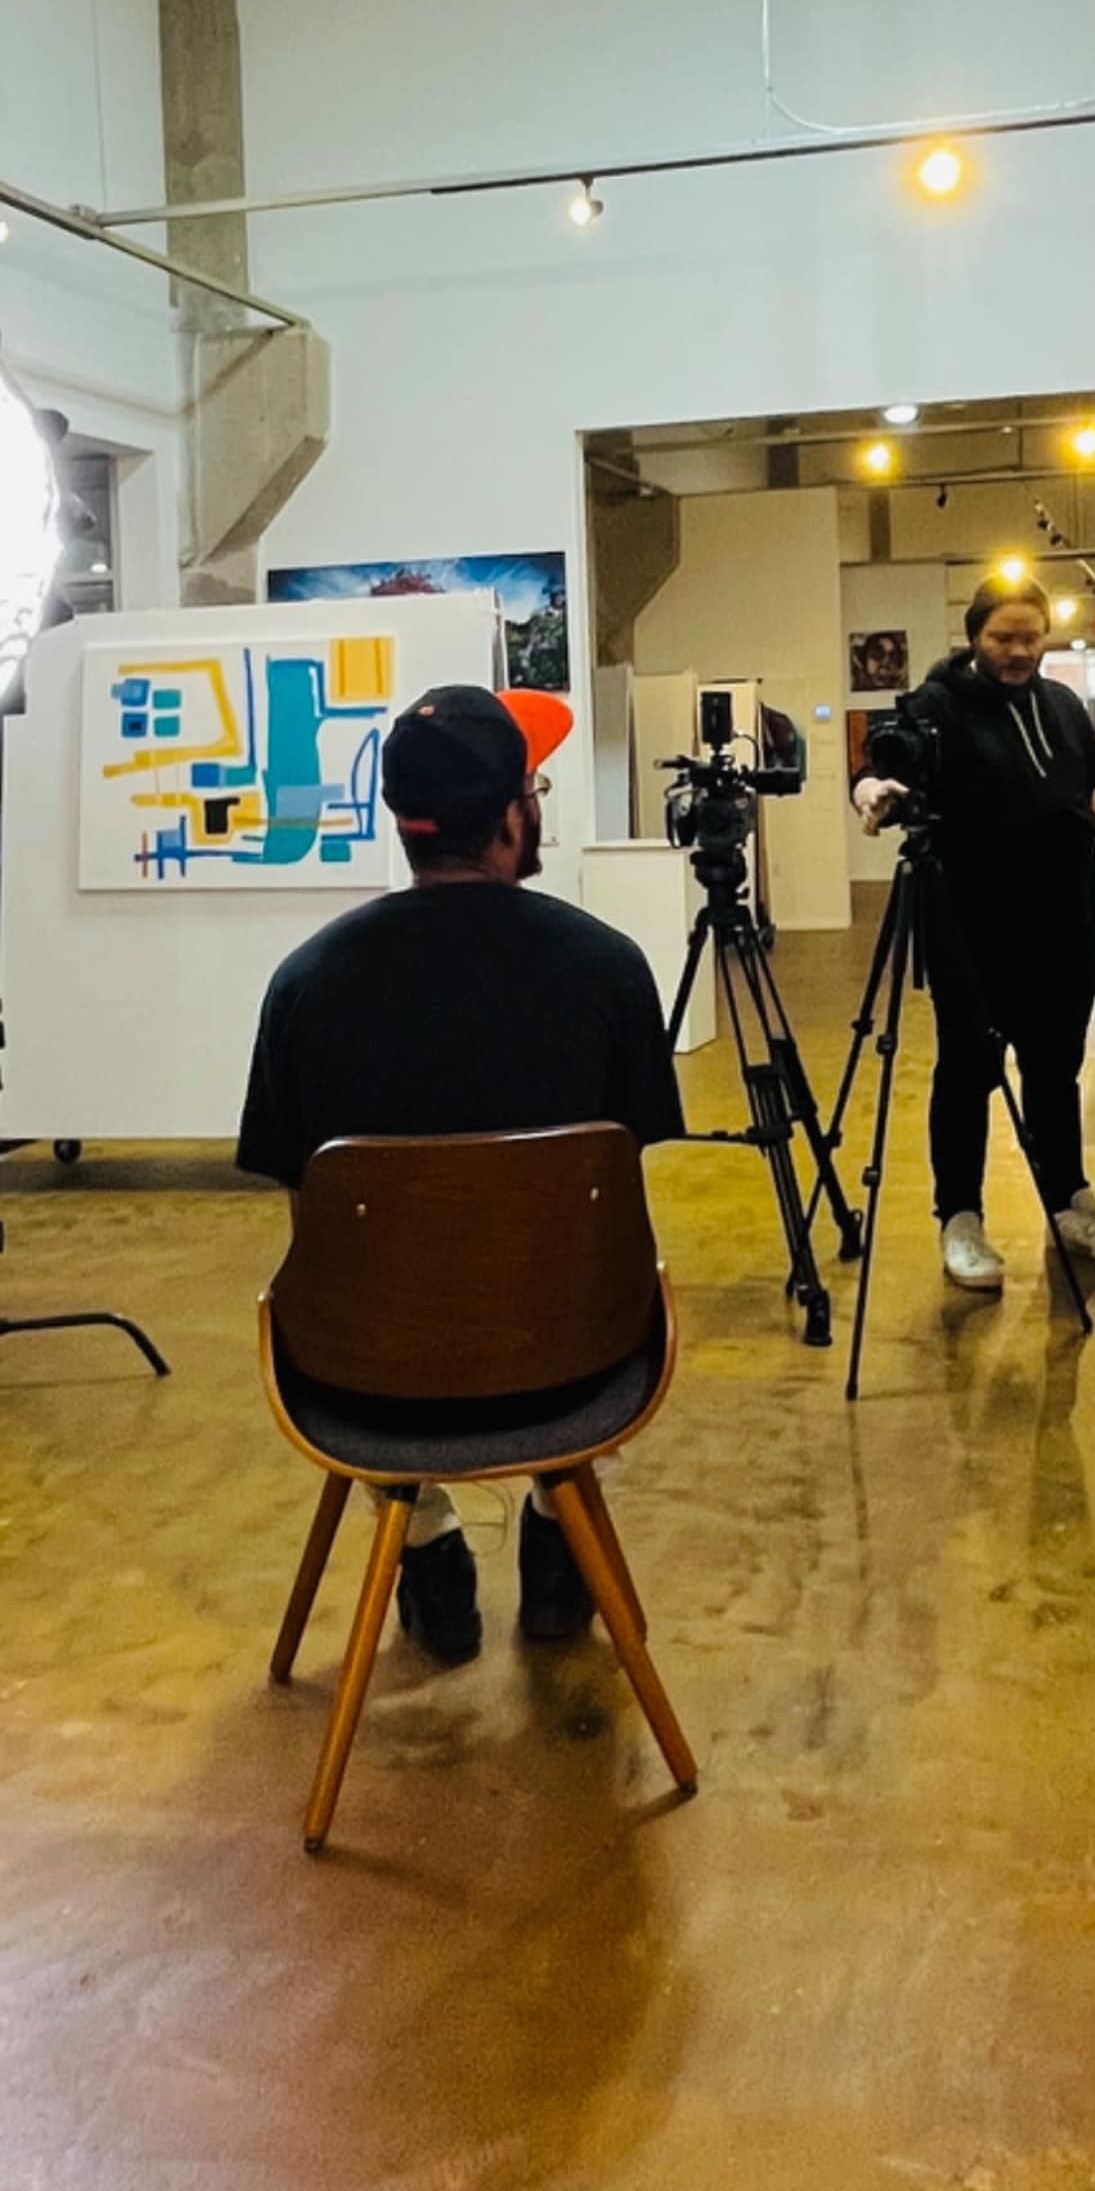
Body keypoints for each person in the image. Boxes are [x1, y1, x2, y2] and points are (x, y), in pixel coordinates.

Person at [237, 683, 684, 1667]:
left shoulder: (304, 984)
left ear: (402, 821)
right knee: (590, 1269)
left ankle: (428, 1539)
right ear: (517, 814)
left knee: (338, 1292)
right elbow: (621, 1208)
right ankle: (558, 1527)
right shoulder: (610, 968)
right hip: (579, 1373)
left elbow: (304, 1219)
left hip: (366, 1389)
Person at [854, 579, 1095, 1294]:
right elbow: (885, 771)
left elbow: (1081, 793)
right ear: (976, 634)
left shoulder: (1064, 706)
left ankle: (1069, 1200)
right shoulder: (937, 708)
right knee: (968, 1071)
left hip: (1065, 918)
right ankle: (961, 1218)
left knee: (1054, 1067)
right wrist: (874, 790)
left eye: (1030, 638)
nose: (1017, 651)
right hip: (971, 925)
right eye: (1003, 638)